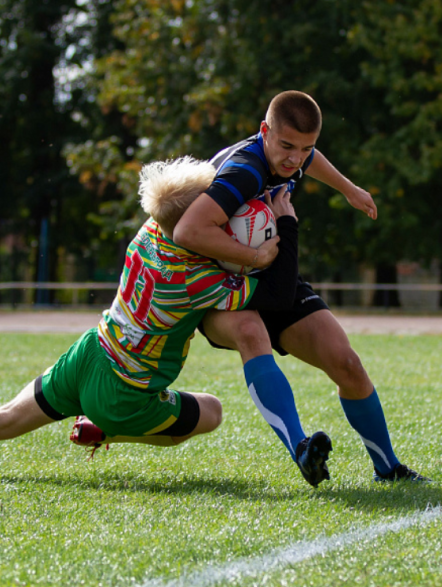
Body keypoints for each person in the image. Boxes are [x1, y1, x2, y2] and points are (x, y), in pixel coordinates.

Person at [0, 156, 332, 487]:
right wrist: (280, 232)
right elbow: (274, 294)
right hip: (125, 393)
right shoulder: (197, 279)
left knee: (3, 419)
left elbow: (191, 222)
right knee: (211, 411)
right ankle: (106, 427)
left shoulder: (151, 231)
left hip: (89, 354)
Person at [173, 91, 428, 483]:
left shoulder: (293, 151)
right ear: (265, 132)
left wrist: (348, 189)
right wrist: (252, 256)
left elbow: (308, 157)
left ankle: (388, 469)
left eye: (305, 147)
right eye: (287, 146)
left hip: (270, 272)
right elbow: (187, 230)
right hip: (219, 283)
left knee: (347, 363)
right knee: (250, 331)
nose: (295, 158)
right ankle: (301, 449)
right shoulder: (245, 171)